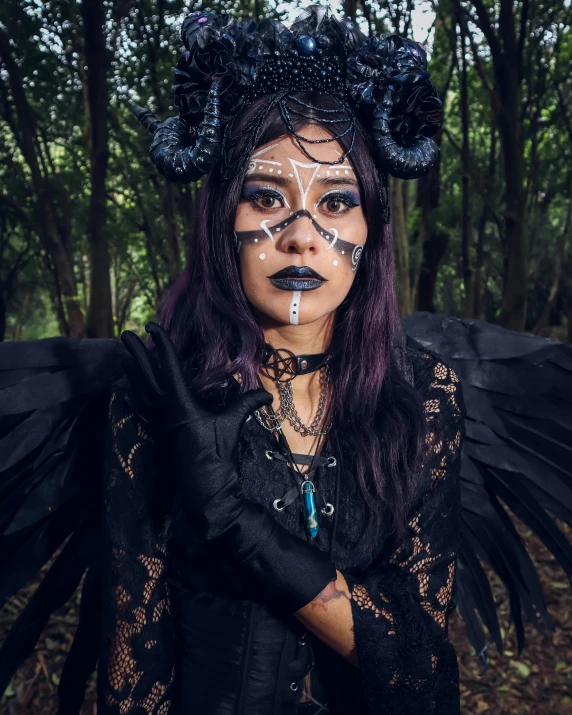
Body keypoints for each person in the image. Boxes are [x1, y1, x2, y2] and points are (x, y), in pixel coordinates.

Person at [98, 6, 465, 714]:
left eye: (336, 202)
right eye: (266, 196)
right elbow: (132, 678)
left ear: (372, 229)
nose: (301, 235)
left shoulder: (424, 395)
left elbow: (421, 673)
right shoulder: (159, 392)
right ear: (221, 218)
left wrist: (236, 523)